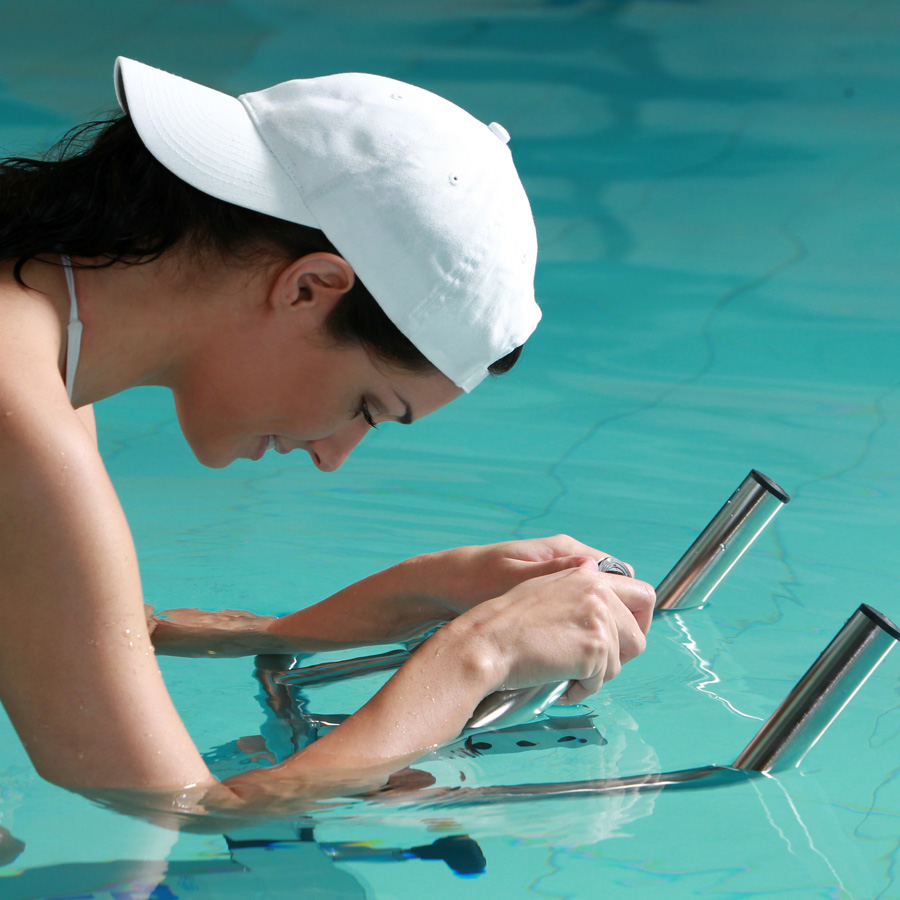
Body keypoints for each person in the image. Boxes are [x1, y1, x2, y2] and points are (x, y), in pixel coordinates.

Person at [0, 58, 654, 816]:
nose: (333, 455)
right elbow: (193, 813)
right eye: (368, 407)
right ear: (309, 287)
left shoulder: (37, 335)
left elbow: (47, 615)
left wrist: (353, 610)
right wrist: (480, 654)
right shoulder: (21, 415)